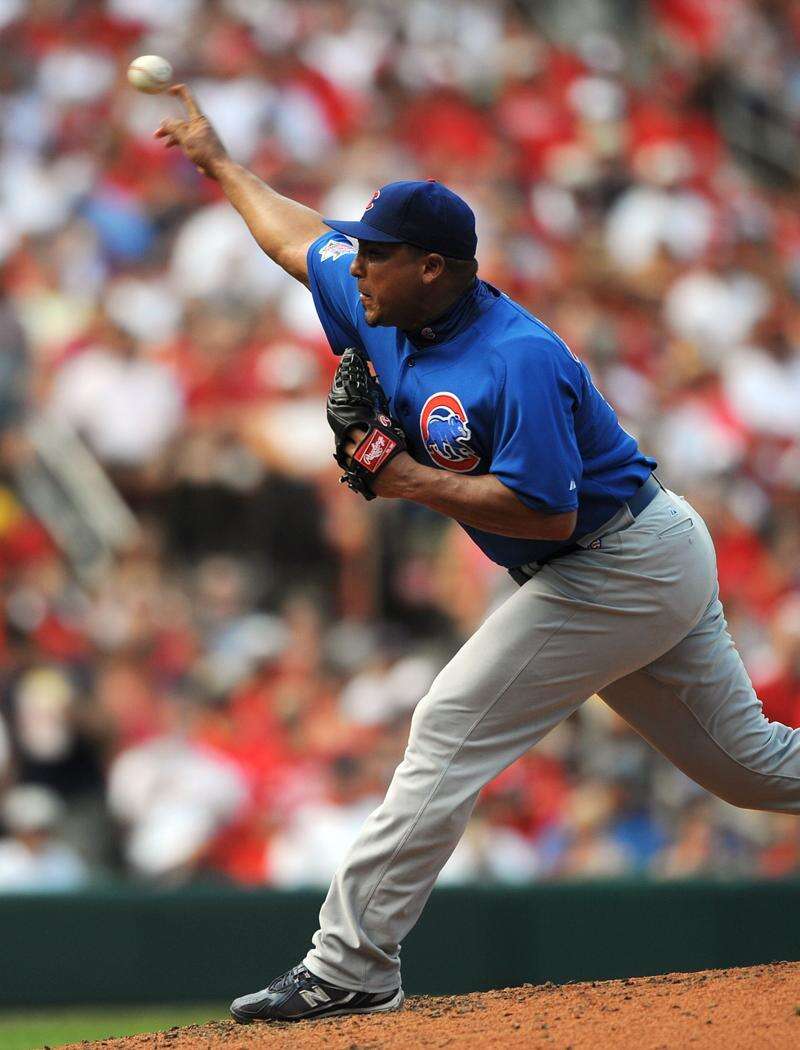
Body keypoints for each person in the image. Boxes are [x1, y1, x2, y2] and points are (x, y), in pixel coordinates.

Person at [156, 85, 800, 1024]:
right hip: (637, 552)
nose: (356, 264)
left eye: (377, 253)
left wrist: (405, 479)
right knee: (750, 769)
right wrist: (219, 163)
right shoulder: (379, 297)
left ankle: (351, 965)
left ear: (432, 267)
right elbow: (296, 238)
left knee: (448, 725)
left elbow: (547, 513)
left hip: (615, 558)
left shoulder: (515, 357)